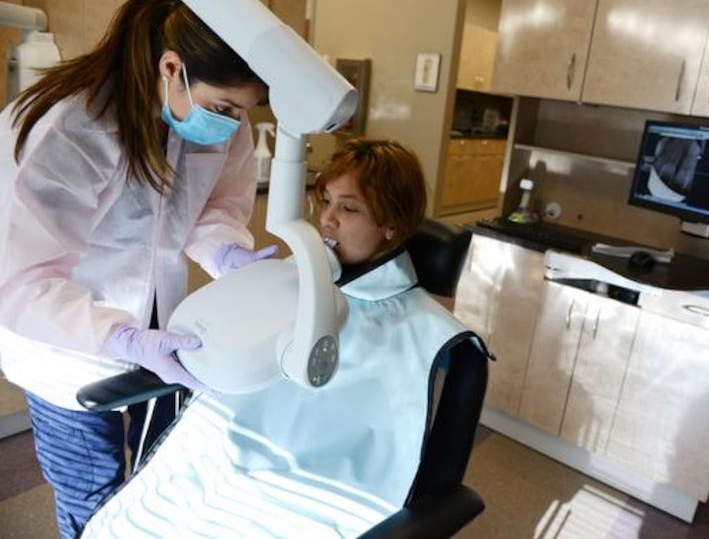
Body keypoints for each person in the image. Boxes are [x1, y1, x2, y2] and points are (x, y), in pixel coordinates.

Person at [80, 138, 489, 538]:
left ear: (392, 226)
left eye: (349, 208)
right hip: (219, 462)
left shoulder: (430, 334)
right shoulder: (285, 280)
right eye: (324, 201)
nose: (327, 220)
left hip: (313, 495)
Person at [0, 0, 277, 537]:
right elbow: (21, 280)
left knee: (162, 479)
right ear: (171, 68)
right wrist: (118, 338)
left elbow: (212, 207)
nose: (234, 126)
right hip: (65, 352)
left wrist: (226, 251)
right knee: (95, 497)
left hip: (160, 329)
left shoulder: (216, 116)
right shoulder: (70, 129)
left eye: (243, 112)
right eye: (225, 108)